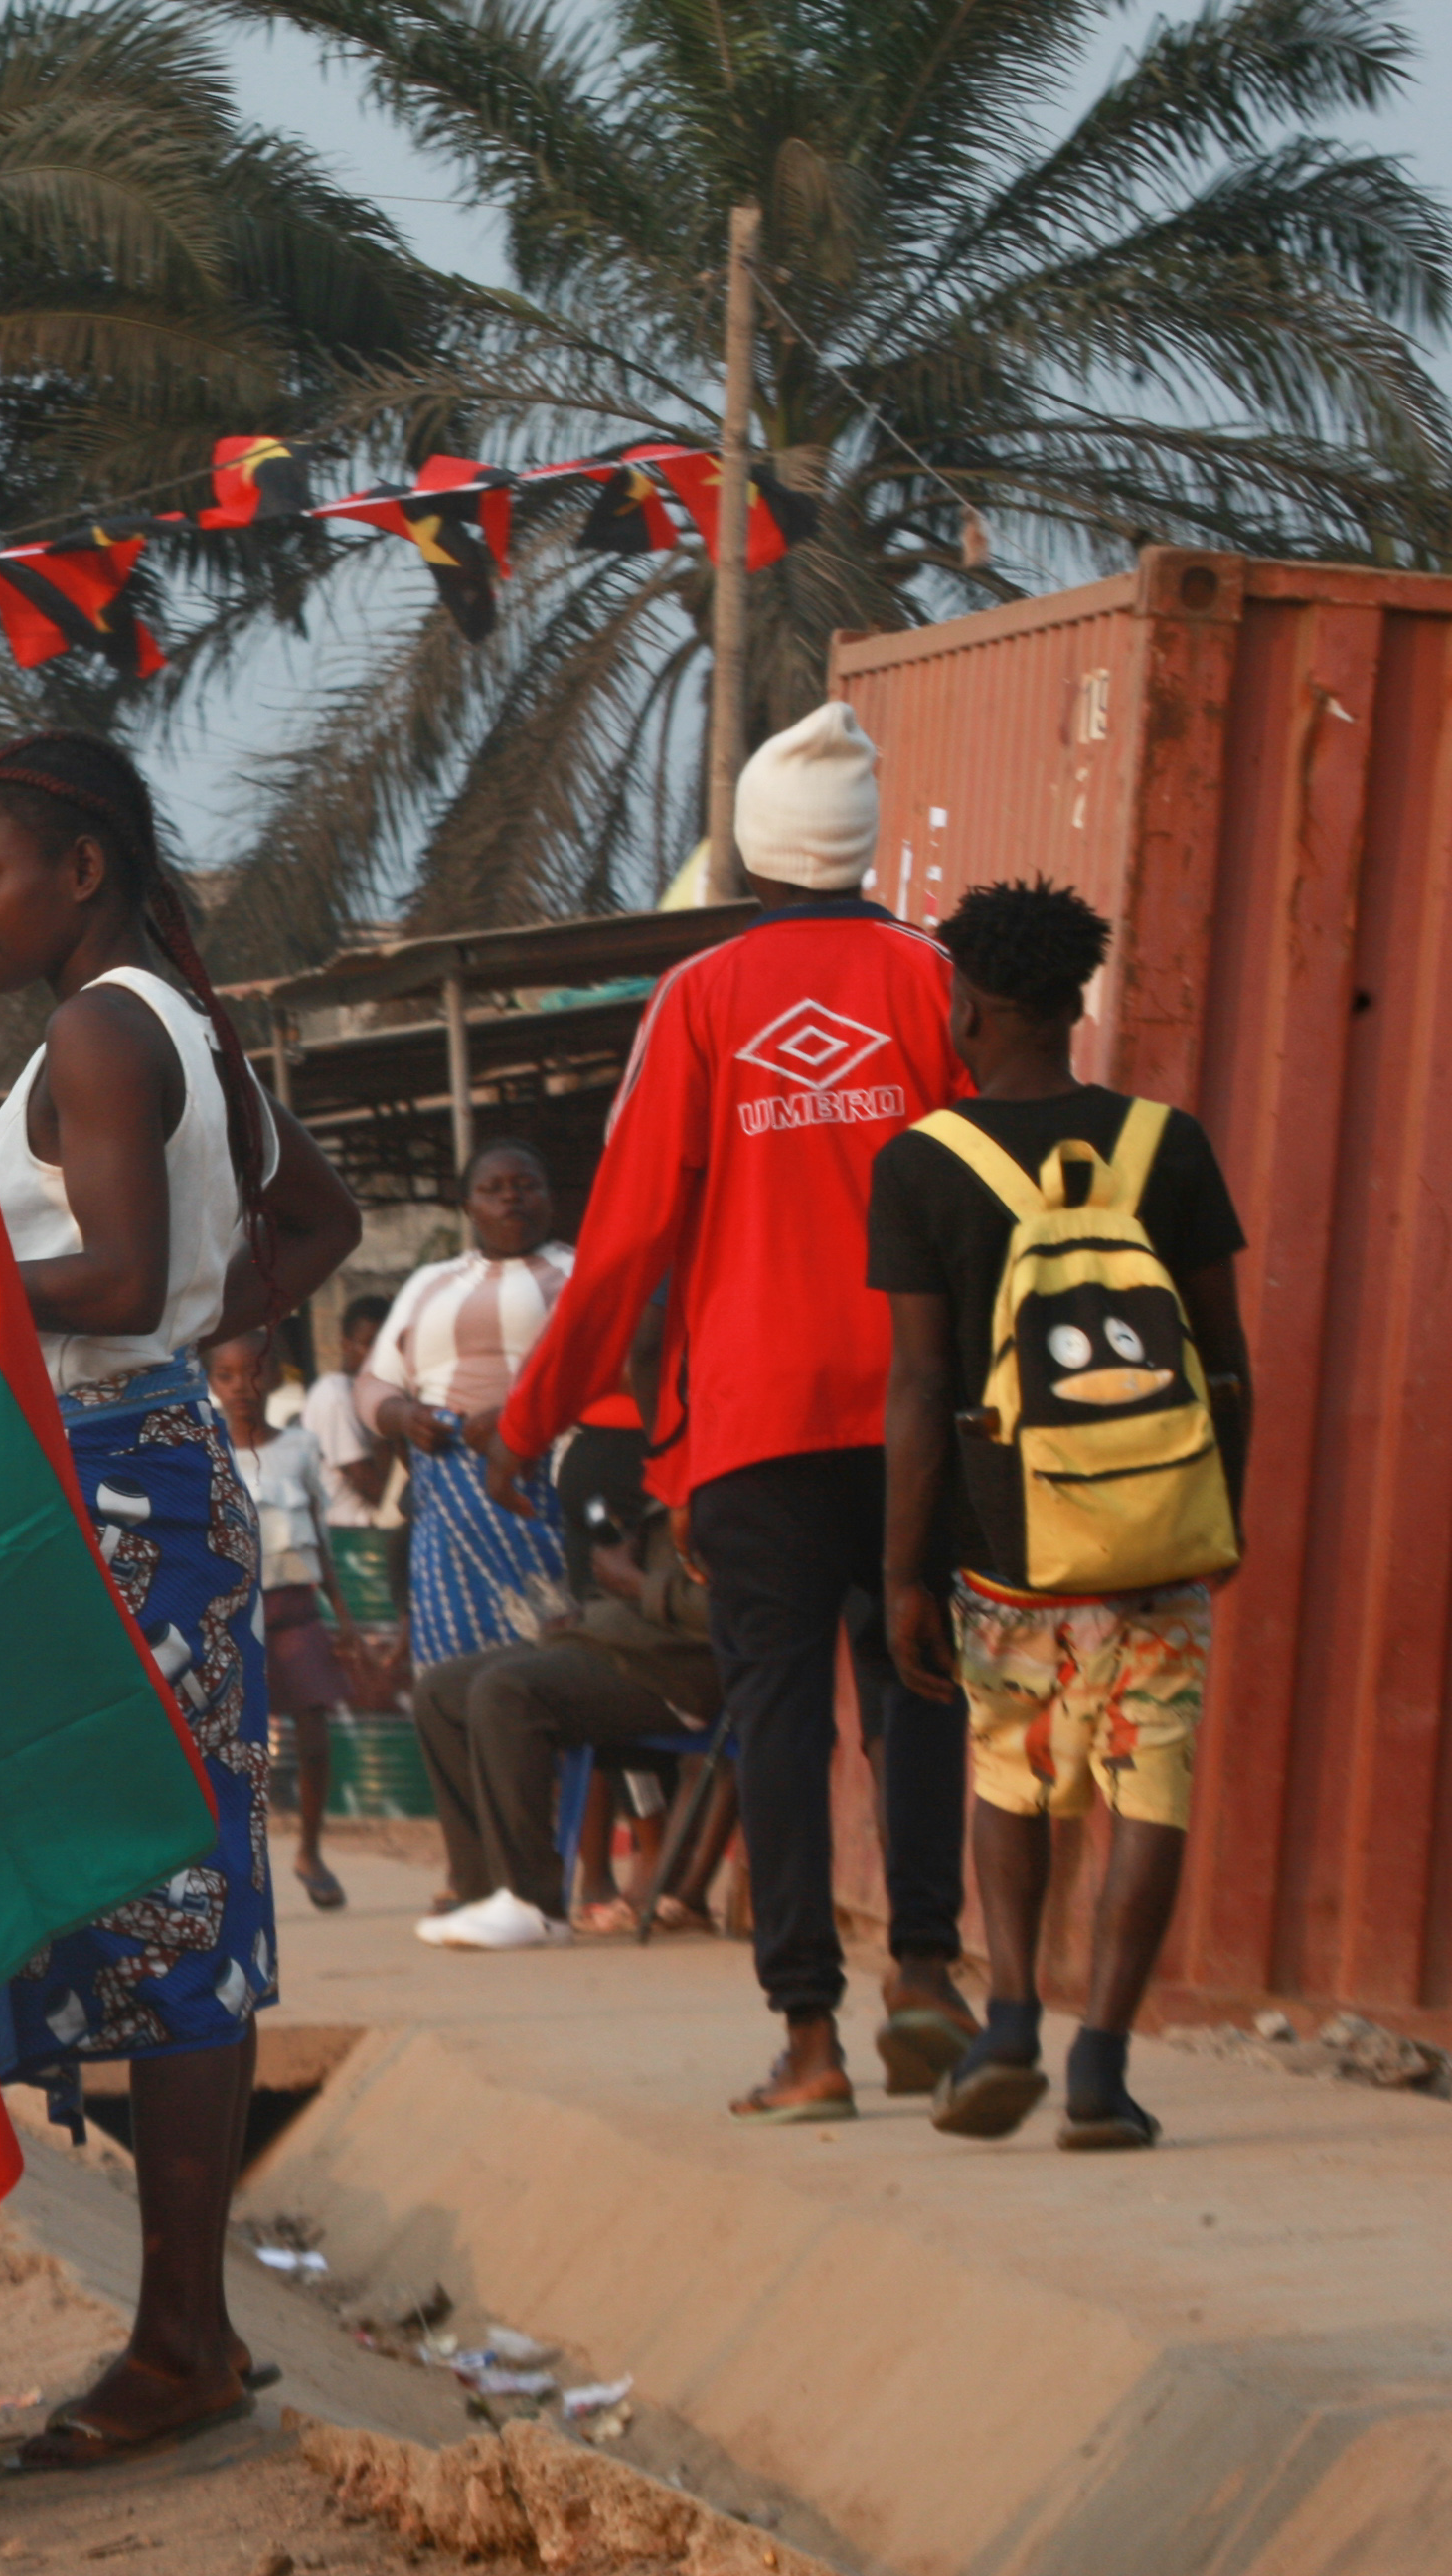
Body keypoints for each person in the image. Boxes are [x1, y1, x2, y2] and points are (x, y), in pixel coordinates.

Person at [0, 731, 360, 2473]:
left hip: (109, 1482)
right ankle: (183, 2326)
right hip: (138, 1458)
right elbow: (314, 1224)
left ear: (79, 870)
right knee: (159, 1889)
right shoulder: (181, 1023)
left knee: (165, 1901)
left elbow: (107, 1270)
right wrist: (193, 1323)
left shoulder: (102, 1029)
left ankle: (184, 2337)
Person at [481, 702, 981, 2125]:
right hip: (912, 1418)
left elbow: (630, 1233)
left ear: (752, 854)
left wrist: (534, 1418)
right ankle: (931, 1975)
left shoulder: (698, 1001)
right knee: (917, 1683)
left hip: (755, 1429)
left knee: (774, 1713)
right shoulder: (935, 982)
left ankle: (811, 2041)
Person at [867, 878, 1249, 2151]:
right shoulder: (1168, 1144)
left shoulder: (924, 1163)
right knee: (1151, 1783)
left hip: (1010, 1547)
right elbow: (1225, 1358)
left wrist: (907, 1570)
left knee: (1013, 1770)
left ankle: (1014, 2017)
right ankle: (1103, 2067)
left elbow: (921, 1385)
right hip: (1158, 1535)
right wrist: (1213, 1520)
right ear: (1079, 1000)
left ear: (968, 1007)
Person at [409, 1494, 720, 1949]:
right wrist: (600, 1602)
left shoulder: (735, 1495)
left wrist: (637, 1585)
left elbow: (737, 1609)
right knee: (440, 1692)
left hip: (680, 1670)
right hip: (617, 1639)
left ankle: (534, 1904)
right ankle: (486, 1891)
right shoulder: (668, 1480)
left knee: (506, 1692)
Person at [357, 1143, 574, 1666]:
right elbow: (373, 1385)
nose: (510, 1200)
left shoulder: (580, 1272)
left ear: (549, 1199)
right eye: (492, 1189)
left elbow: (605, 1373)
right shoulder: (429, 1283)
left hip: (542, 1475)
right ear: (467, 1207)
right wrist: (406, 1418)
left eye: (525, 1186)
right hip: (446, 1486)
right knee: (456, 1661)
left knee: (547, 1653)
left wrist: (520, 1420)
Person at [212, 1327, 349, 1910]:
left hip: (295, 1614)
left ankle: (310, 1850)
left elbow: (318, 1531)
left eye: (257, 1371)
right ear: (210, 1383)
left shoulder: (299, 1447)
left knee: (314, 1733)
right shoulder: (206, 1452)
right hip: (235, 1620)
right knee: (238, 1749)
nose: (244, 1386)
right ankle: (242, 1861)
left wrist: (341, 1614)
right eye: (228, 1375)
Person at [306, 1290, 403, 1648]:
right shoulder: (336, 1394)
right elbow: (368, 1481)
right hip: (354, 1549)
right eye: (366, 1344)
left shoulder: (373, 1395)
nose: (373, 1356)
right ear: (346, 1344)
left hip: (372, 1547)